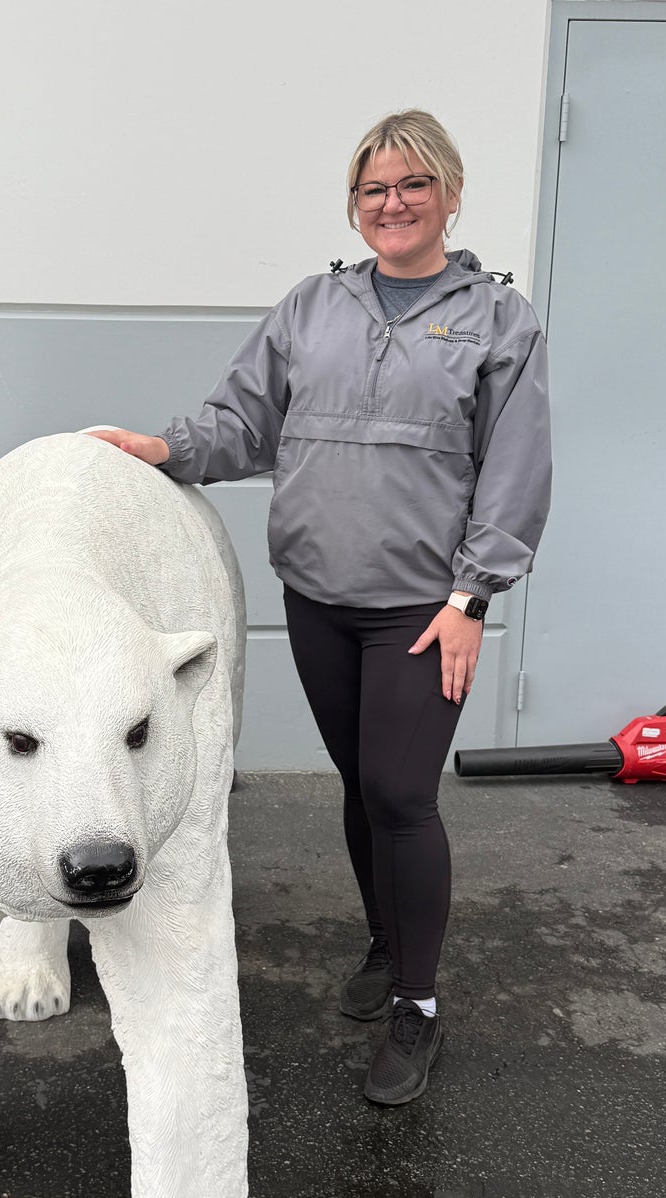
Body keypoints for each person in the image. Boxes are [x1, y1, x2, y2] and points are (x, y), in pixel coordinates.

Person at [90, 110, 552, 1106]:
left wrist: (472, 594)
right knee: (357, 779)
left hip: (422, 610)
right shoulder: (310, 307)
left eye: (411, 184)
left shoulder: (496, 321)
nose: (391, 203)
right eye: (373, 188)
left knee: (399, 791)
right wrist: (163, 448)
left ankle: (417, 1006)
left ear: (449, 194)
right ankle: (386, 943)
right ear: (355, 204)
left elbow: (513, 471)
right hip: (318, 598)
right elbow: (240, 420)